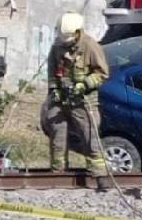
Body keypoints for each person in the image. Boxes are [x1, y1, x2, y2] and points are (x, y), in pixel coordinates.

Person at [45, 11, 110, 191]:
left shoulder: (90, 46)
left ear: (77, 33)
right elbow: (52, 72)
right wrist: (55, 91)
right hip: (61, 100)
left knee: (91, 138)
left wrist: (85, 84)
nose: (64, 42)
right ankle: (58, 174)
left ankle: (100, 177)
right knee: (57, 137)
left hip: (84, 100)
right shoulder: (57, 46)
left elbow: (102, 73)